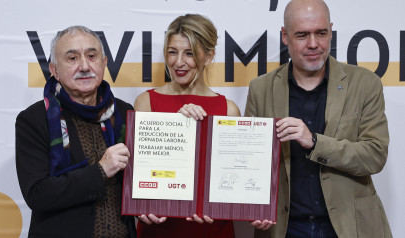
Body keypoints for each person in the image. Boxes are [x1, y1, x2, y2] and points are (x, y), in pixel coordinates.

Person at [245, 0, 392, 237]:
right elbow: (249, 162)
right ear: (285, 36)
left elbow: (375, 156)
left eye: (321, 33)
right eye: (302, 35)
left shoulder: (365, 84)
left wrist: (314, 142)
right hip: (285, 228)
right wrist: (251, 206)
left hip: (349, 226)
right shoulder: (260, 89)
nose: (313, 44)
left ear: (331, 31)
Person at [15, 26, 136, 237]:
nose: (85, 66)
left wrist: (152, 207)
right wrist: (100, 171)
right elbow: (37, 194)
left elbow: (140, 179)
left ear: (104, 62)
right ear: (54, 70)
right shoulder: (34, 120)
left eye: (92, 56)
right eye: (72, 58)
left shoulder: (125, 112)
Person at [134, 14, 240, 238]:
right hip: (160, 228)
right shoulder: (146, 102)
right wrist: (176, 124)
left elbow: (232, 181)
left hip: (212, 228)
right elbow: (139, 174)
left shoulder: (228, 109)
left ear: (209, 56)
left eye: (189, 53)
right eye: (172, 52)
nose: (178, 62)